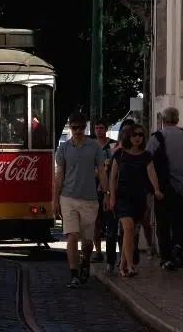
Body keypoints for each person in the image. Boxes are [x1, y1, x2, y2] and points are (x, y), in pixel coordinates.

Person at [55, 112, 109, 289]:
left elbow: (101, 171)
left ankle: (85, 260)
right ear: (70, 128)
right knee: (72, 236)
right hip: (68, 197)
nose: (77, 131)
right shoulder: (63, 148)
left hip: (90, 199)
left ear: (85, 128)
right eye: (74, 128)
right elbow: (59, 175)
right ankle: (74, 274)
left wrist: (107, 193)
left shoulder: (94, 147)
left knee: (87, 241)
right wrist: (55, 200)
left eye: (80, 128)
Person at [147, 107, 183, 270]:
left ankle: (166, 257)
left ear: (163, 120)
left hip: (164, 190)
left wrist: (152, 187)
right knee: (182, 221)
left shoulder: (156, 138)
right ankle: (178, 248)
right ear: (177, 120)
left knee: (163, 223)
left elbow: (146, 160)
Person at [109, 123, 163, 277]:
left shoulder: (146, 156)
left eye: (140, 135)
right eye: (135, 135)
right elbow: (112, 178)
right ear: (128, 137)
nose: (138, 138)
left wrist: (157, 189)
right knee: (129, 228)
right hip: (122, 198)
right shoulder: (120, 154)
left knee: (130, 233)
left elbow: (151, 173)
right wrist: (112, 196)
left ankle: (122, 265)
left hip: (139, 198)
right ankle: (131, 265)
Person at [91, 119, 115, 264]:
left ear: (106, 129)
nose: (98, 130)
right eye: (96, 128)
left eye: (101, 128)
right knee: (95, 222)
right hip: (93, 188)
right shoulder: (91, 146)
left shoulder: (113, 145)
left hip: (109, 188)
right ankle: (98, 251)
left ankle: (111, 253)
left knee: (110, 221)